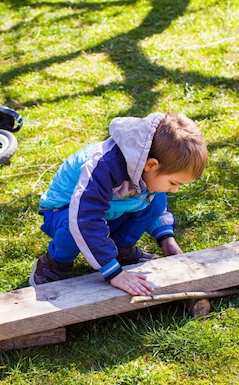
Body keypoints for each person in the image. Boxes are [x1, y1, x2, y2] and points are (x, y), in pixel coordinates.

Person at [29, 112, 207, 297]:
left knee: (158, 198)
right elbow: (84, 219)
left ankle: (120, 249)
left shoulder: (146, 168)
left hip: (110, 209)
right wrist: (114, 273)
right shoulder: (103, 167)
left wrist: (166, 238)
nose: (175, 189)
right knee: (73, 226)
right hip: (63, 212)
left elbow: (156, 203)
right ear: (151, 165)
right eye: (174, 182)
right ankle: (54, 263)